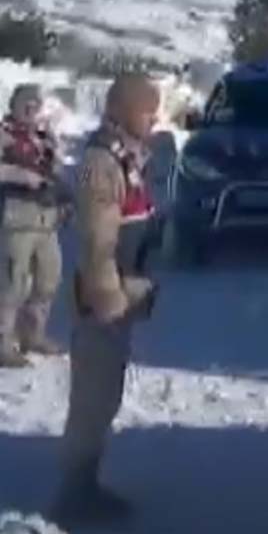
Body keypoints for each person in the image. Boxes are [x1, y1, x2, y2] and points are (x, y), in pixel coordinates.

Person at [49, 73, 162, 527]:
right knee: (91, 404)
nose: (153, 121)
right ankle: (74, 498)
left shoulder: (128, 157)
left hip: (120, 296)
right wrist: (113, 302)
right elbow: (97, 244)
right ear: (122, 110)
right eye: (146, 112)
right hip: (102, 305)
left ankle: (87, 485)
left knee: (105, 399)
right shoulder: (102, 163)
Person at [0, 84, 71, 366]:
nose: (30, 110)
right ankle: (3, 342)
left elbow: (58, 172)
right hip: (16, 217)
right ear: (14, 106)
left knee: (48, 279)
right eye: (25, 104)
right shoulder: (4, 135)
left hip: (46, 218)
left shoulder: (43, 137)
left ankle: (32, 333)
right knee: (13, 283)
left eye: (35, 105)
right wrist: (21, 176)